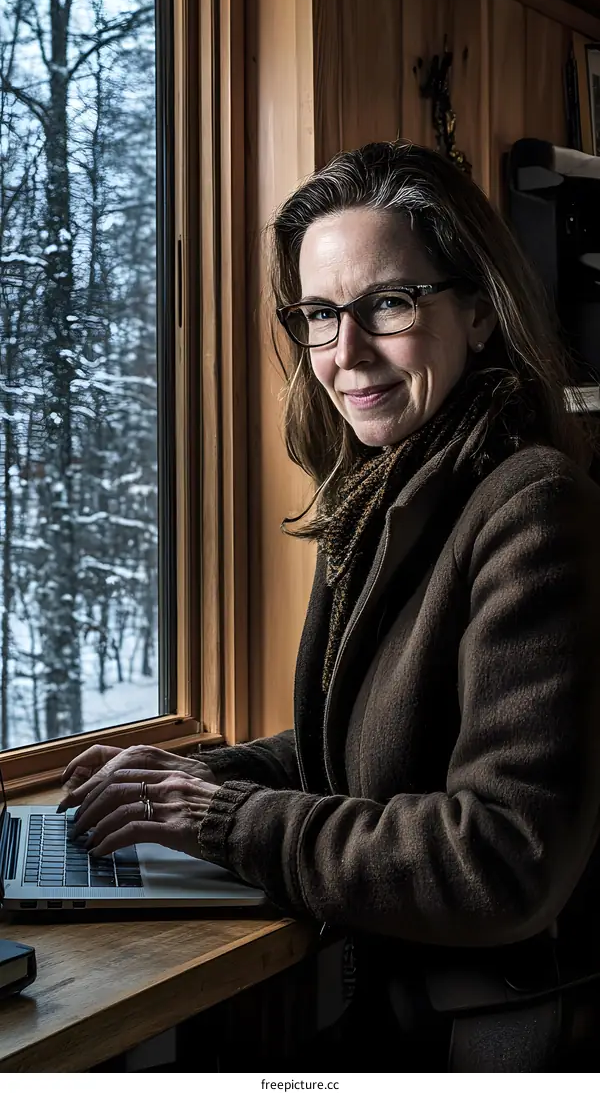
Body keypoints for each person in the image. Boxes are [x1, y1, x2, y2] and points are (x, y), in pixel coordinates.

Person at [58, 141, 600, 1072]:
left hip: (509, 1033)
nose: (345, 353)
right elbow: (364, 753)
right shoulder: (385, 492)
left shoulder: (531, 502)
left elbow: (502, 856)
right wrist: (186, 784)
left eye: (387, 304)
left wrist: (222, 821)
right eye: (318, 314)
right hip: (401, 1005)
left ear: (477, 312)